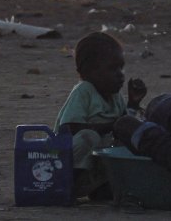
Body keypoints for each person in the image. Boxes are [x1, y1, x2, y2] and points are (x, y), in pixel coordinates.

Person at [53, 32, 147, 199]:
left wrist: (133, 104)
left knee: (125, 142)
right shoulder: (84, 91)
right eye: (112, 68)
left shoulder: (115, 96)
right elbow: (68, 127)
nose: (120, 74)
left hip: (98, 160)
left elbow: (125, 125)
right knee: (89, 137)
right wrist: (111, 126)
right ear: (88, 71)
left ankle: (100, 185)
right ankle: (71, 182)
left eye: (121, 67)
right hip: (69, 158)